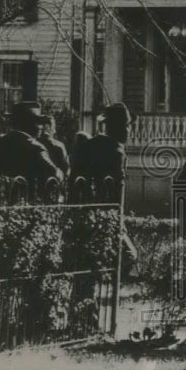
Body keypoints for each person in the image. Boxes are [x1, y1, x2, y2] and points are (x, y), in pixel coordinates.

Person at [69, 102, 138, 280]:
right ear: (121, 128)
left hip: (81, 211)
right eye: (128, 126)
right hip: (106, 214)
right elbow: (114, 191)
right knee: (129, 254)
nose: (129, 131)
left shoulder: (89, 145)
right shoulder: (116, 151)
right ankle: (111, 288)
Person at [0, 102, 63, 193]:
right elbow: (55, 176)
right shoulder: (36, 149)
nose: (41, 128)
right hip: (27, 201)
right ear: (28, 124)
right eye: (38, 123)